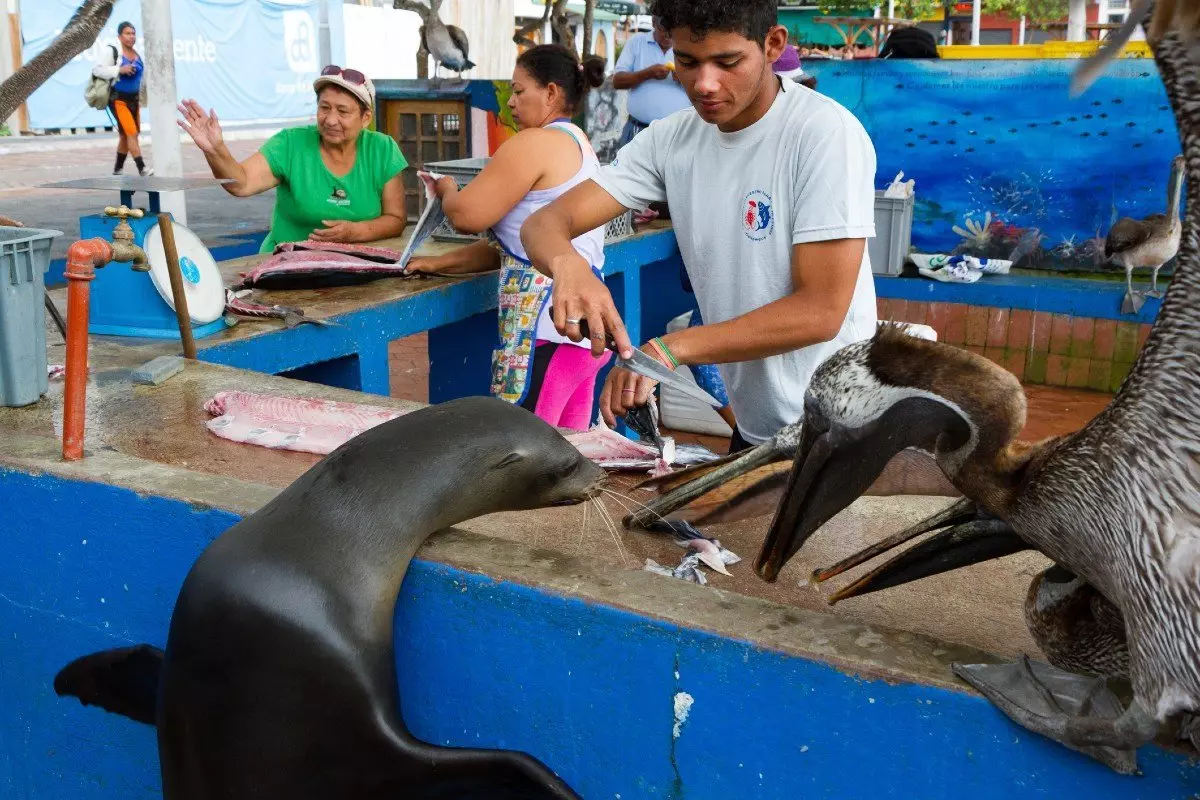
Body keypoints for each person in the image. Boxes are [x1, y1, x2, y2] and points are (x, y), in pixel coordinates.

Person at [522, 0, 878, 454]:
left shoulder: (824, 134)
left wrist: (668, 349)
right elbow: (544, 223)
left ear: (772, 44)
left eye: (727, 62)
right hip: (758, 428)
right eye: (687, 62)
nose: (705, 83)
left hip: (844, 433)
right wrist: (569, 267)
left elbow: (821, 311)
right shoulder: (672, 139)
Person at [404, 45, 610, 431]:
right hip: (583, 339)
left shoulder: (534, 143)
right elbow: (515, 250)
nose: (511, 102)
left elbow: (466, 216)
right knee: (569, 454)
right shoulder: (579, 144)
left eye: (519, 91)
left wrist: (447, 189)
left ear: (550, 92)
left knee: (523, 451)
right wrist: (435, 263)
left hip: (545, 335)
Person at [177, 66, 407, 254]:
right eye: (324, 108)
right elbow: (241, 183)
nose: (330, 120)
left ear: (365, 118)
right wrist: (215, 150)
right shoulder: (290, 144)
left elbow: (396, 219)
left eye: (343, 111)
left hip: (354, 265)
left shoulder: (382, 150)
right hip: (286, 265)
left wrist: (355, 233)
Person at [612, 16, 691, 147]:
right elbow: (617, 81)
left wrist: (685, 79)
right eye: (663, 30)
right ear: (653, 22)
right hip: (638, 130)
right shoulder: (636, 42)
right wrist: (647, 74)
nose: (668, 36)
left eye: (672, 31)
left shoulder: (688, 45)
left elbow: (703, 85)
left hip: (678, 134)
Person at [93, 22, 151, 177]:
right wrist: (120, 70)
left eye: (133, 33)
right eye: (127, 33)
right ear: (119, 36)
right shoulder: (112, 51)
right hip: (118, 100)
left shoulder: (137, 55)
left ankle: (117, 170)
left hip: (134, 101)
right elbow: (97, 70)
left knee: (127, 135)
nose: (131, 36)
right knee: (131, 132)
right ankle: (142, 168)